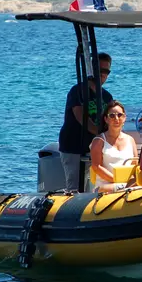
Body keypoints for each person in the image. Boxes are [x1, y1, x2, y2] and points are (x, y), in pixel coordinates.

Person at [58, 52, 113, 191]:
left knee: (95, 185)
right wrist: (100, 134)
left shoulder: (106, 96)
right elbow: (80, 116)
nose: (102, 74)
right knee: (75, 187)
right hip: (74, 146)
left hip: (95, 147)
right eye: (99, 70)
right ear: (92, 70)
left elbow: (110, 119)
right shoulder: (77, 91)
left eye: (106, 71)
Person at [90, 100, 137, 193]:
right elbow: (96, 167)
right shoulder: (99, 141)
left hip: (127, 185)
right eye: (112, 115)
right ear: (106, 119)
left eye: (119, 115)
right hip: (105, 187)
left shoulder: (131, 140)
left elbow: (135, 164)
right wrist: (117, 180)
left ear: (124, 117)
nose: (116, 118)